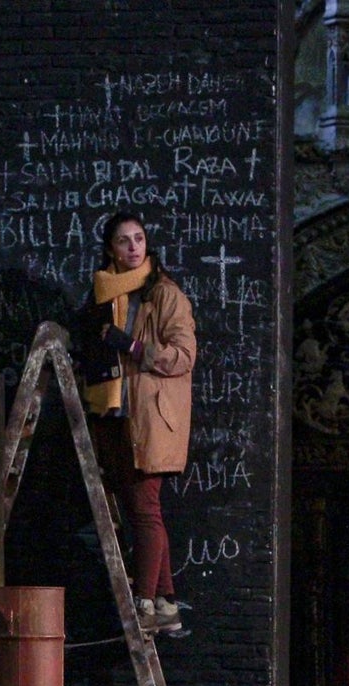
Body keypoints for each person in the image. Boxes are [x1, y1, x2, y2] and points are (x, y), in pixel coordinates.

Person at [81, 211, 196, 633]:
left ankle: (145, 604)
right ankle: (165, 603)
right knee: (137, 510)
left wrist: (131, 344)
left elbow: (183, 357)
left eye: (139, 239)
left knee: (145, 510)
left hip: (150, 419)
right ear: (110, 248)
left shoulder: (165, 294)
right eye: (124, 241)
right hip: (114, 417)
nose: (133, 248)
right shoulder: (104, 295)